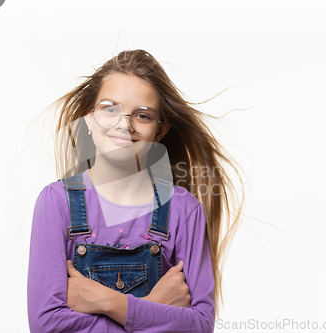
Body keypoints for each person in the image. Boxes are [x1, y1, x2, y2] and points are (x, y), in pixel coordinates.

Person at [27, 50, 244, 332]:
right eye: (109, 109)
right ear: (89, 119)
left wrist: (109, 302)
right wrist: (153, 305)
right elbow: (47, 326)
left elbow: (200, 325)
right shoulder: (57, 202)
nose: (123, 124)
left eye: (142, 115)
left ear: (160, 130)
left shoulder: (183, 210)